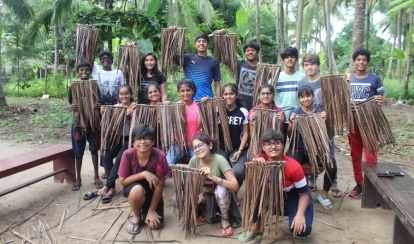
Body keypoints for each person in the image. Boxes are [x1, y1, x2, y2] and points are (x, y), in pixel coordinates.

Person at [238, 129, 313, 242]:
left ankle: (299, 216)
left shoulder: (294, 167)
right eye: (268, 144)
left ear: (283, 146)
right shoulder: (260, 161)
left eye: (277, 143)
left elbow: (304, 194)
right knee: (256, 193)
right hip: (269, 198)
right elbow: (257, 158)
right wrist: (257, 163)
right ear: (263, 147)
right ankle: (256, 227)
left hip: (293, 198)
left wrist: (300, 214)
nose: (273, 146)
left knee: (302, 230)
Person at [299, 54, 342, 198]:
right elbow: (300, 103)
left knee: (329, 156)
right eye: (306, 64)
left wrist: (327, 115)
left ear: (318, 66)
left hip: (325, 125)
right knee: (311, 153)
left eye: (312, 64)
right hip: (308, 127)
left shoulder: (326, 82)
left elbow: (335, 102)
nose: (309, 67)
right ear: (304, 67)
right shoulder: (301, 82)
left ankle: (333, 184)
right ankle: (311, 181)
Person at [286, 85, 336, 209]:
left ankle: (324, 193)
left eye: (308, 96)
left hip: (317, 149)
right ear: (299, 99)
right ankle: (295, 193)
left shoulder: (320, 112)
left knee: (332, 165)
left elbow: (327, 134)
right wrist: (292, 122)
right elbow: (290, 135)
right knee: (288, 166)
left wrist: (324, 121)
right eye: (302, 97)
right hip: (298, 147)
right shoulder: (295, 111)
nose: (306, 99)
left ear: (313, 97)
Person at [347, 48, 385, 198]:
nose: (361, 62)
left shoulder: (375, 79)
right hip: (353, 122)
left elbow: (381, 99)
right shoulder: (348, 79)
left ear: (367, 62)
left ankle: (371, 187)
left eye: (364, 60)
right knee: (355, 154)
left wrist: (382, 100)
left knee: (371, 155)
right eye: (358, 60)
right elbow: (343, 98)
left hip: (369, 122)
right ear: (354, 61)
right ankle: (359, 184)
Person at [118, 124, 169, 234]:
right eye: (138, 139)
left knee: (154, 225)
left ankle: (147, 209)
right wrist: (144, 174)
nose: (142, 142)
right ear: (133, 142)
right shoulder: (127, 154)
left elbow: (159, 186)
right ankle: (136, 215)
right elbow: (122, 181)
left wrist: (151, 211)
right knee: (137, 190)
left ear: (153, 141)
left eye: (146, 138)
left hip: (152, 190)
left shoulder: (160, 156)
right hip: (132, 188)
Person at [189, 134, 241, 237]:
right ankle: (202, 211)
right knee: (177, 197)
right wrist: (197, 193)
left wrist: (214, 177)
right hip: (205, 195)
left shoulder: (220, 159)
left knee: (221, 191)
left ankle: (225, 219)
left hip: (222, 198)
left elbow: (235, 186)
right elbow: (190, 182)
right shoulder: (193, 161)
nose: (198, 149)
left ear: (210, 145)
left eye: (200, 145)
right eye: (195, 147)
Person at [98, 84, 137, 203]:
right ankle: (112, 187)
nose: (124, 96)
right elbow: (104, 126)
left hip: (129, 139)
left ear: (130, 95)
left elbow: (135, 129)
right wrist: (103, 115)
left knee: (120, 157)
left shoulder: (135, 107)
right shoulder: (114, 107)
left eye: (126, 93)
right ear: (118, 95)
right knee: (106, 155)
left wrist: (129, 115)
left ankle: (107, 185)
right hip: (116, 138)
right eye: (121, 94)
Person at [67, 61, 102, 191]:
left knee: (94, 149)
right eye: (81, 70)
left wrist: (98, 106)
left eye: (87, 70)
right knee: (78, 152)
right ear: (78, 72)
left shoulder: (94, 85)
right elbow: (68, 101)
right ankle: (78, 178)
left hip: (93, 121)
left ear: (90, 71)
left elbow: (99, 101)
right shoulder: (73, 86)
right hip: (77, 122)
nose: (84, 72)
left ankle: (96, 176)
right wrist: (70, 106)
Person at [170, 27, 221, 100]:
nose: (201, 43)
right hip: (190, 101)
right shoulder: (188, 58)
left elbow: (217, 83)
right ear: (195, 45)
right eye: (199, 41)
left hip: (207, 99)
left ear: (208, 45)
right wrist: (172, 34)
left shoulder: (213, 61)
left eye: (204, 41)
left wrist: (218, 100)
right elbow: (170, 55)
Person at [218, 83, 249, 191]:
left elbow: (246, 133)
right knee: (218, 169)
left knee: (238, 171)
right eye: (225, 94)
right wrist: (204, 104)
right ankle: (222, 193)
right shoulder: (218, 110)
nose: (228, 97)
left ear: (236, 95)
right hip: (221, 148)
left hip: (238, 148)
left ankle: (234, 192)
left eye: (231, 94)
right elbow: (201, 122)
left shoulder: (243, 111)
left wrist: (240, 150)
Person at [274, 47, 305, 146]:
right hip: (280, 116)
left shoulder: (302, 77)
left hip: (297, 116)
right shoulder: (276, 77)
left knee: (296, 146)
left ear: (296, 59)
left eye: (292, 57)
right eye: (287, 57)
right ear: (283, 60)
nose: (289, 59)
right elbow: (268, 95)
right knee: (279, 146)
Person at [166, 78, 201, 165]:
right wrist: (165, 108)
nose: (185, 93)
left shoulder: (199, 106)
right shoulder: (175, 106)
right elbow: (166, 123)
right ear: (179, 92)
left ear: (193, 91)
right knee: (167, 165)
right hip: (178, 144)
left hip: (195, 145)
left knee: (199, 167)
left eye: (188, 90)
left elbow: (201, 124)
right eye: (182, 91)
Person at [236, 42, 260, 110]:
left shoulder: (262, 68)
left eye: (253, 50)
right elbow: (225, 58)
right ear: (245, 53)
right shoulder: (240, 64)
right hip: (239, 103)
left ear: (257, 52)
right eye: (247, 51)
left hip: (256, 105)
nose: (250, 52)